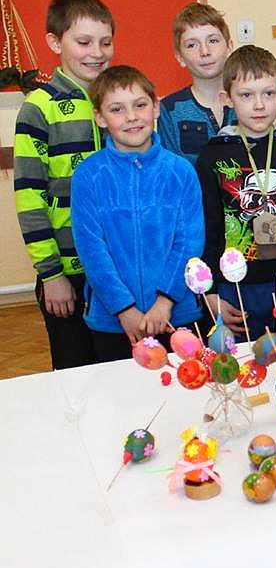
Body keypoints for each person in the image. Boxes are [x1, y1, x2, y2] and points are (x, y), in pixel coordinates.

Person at [197, 45, 276, 340]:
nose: (259, 105)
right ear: (226, 98)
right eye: (246, 95)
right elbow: (208, 228)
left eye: (268, 93)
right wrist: (211, 291)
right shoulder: (211, 157)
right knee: (242, 363)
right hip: (236, 288)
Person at [72, 66, 204, 361]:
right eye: (117, 109)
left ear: (155, 107)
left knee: (184, 388)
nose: (131, 117)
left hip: (177, 316)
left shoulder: (181, 171)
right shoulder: (89, 175)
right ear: (100, 117)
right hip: (113, 322)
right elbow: (92, 248)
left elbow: (189, 243)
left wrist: (165, 301)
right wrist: (123, 308)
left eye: (140, 105)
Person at [13, 0, 114, 370]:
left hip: (114, 268)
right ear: (55, 42)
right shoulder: (38, 108)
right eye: (84, 42)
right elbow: (29, 198)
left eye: (105, 42)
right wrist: (51, 274)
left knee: (119, 368)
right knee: (75, 372)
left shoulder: (117, 102)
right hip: (67, 273)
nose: (96, 52)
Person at [158, 2, 236, 166]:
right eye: (192, 45)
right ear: (180, 57)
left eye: (213, 41)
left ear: (229, 46)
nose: (205, 51)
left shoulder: (248, 99)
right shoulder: (170, 109)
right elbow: (171, 170)